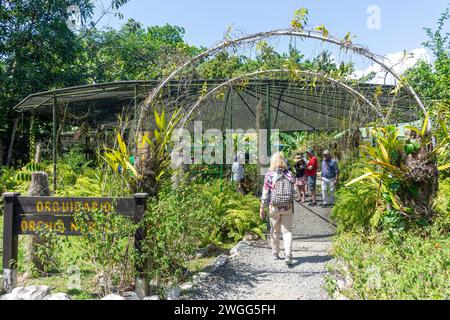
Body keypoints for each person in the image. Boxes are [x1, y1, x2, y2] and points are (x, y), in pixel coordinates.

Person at [259, 152, 295, 266]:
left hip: (273, 206)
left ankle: (275, 253)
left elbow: (265, 192)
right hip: (287, 207)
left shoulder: (269, 175)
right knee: (287, 230)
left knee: (275, 230)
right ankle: (288, 254)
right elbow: (293, 191)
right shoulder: (289, 174)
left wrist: (262, 207)